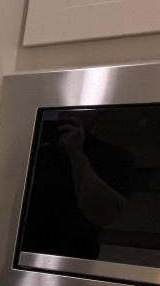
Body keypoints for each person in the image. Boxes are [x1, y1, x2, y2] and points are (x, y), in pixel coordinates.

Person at [21, 109, 134, 260]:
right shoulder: (38, 149)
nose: (72, 110)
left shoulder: (114, 157)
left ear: (98, 114)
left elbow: (107, 215)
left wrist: (76, 153)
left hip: (74, 260)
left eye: (85, 108)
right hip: (24, 253)